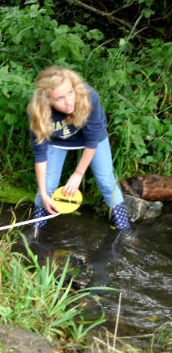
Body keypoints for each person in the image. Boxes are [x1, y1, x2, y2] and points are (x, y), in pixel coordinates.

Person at [27, 66, 131, 235]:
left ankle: (123, 229)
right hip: (58, 141)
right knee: (46, 188)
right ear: (46, 99)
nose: (69, 102)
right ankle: (37, 231)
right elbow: (40, 155)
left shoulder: (89, 97)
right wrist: (44, 194)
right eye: (59, 98)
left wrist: (78, 174)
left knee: (106, 181)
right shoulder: (39, 112)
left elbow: (92, 140)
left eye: (70, 92)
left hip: (92, 139)